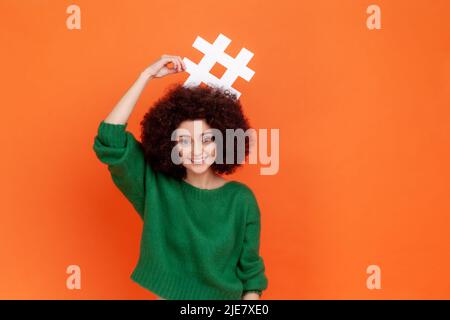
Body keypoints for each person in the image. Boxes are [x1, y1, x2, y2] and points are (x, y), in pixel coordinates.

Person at [93, 54, 268, 300]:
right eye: (185, 141)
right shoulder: (156, 187)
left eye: (207, 139)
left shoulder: (241, 199)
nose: (197, 151)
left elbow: (251, 276)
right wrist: (145, 76)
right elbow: (109, 139)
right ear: (170, 145)